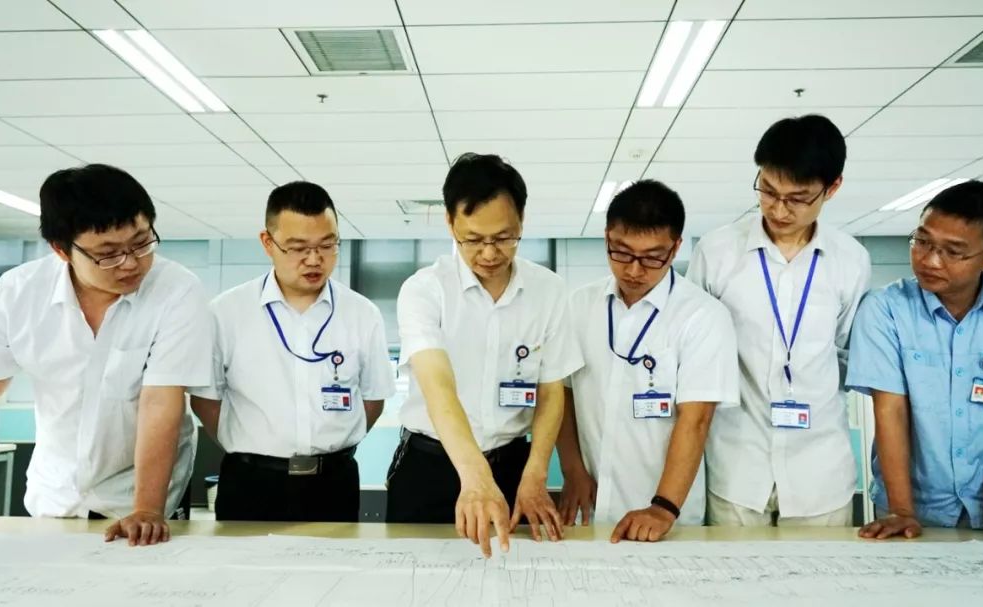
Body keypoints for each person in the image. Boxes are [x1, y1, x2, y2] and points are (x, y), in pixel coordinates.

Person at [0, 164, 212, 546]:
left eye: (141, 243)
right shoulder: (18, 293)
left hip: (143, 497)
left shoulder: (177, 290)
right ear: (62, 250)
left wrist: (147, 509)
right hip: (53, 496)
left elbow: (161, 401)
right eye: (108, 254)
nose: (131, 262)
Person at [385, 152, 583, 557]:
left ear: (522, 221)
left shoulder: (548, 291)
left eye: (504, 238)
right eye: (473, 239)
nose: (490, 253)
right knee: (416, 575)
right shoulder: (425, 290)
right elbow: (439, 388)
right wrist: (474, 477)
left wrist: (536, 473)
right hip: (431, 464)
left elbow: (551, 391)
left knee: (518, 574)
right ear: (450, 223)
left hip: (514, 466)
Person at [688, 114, 871, 526]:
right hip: (736, 467)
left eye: (798, 198)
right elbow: (698, 357)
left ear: (832, 187)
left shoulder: (850, 260)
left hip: (821, 473)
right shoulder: (716, 252)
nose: (778, 208)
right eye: (768, 191)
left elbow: (843, 353)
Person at [190, 181, 395, 522]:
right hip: (250, 482)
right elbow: (205, 401)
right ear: (267, 243)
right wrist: (253, 448)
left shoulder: (362, 314)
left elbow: (373, 400)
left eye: (327, 245)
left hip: (333, 482)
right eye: (298, 248)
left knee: (337, 559)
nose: (314, 259)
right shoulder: (226, 313)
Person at [557, 180, 739, 542]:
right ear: (607, 237)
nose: (634, 271)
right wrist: (573, 470)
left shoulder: (702, 316)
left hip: (666, 517)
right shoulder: (578, 306)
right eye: (621, 253)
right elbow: (562, 394)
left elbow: (696, 419)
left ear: (675, 248)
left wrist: (663, 507)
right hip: (588, 508)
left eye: (653, 257)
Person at [847, 180, 983, 542]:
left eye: (953, 251)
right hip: (914, 508)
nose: (930, 260)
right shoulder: (885, 309)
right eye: (923, 241)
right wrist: (902, 511)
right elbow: (890, 409)